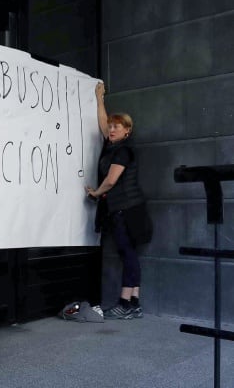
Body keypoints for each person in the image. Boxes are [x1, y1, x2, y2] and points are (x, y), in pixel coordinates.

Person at [85, 82, 152, 320]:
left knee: (127, 254)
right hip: (127, 208)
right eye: (111, 127)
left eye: (117, 127)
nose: (111, 129)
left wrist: (95, 193)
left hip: (126, 210)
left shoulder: (122, 151)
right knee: (129, 253)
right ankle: (134, 303)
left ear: (127, 131)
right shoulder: (113, 146)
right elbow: (103, 124)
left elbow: (111, 180)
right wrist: (99, 97)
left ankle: (125, 303)